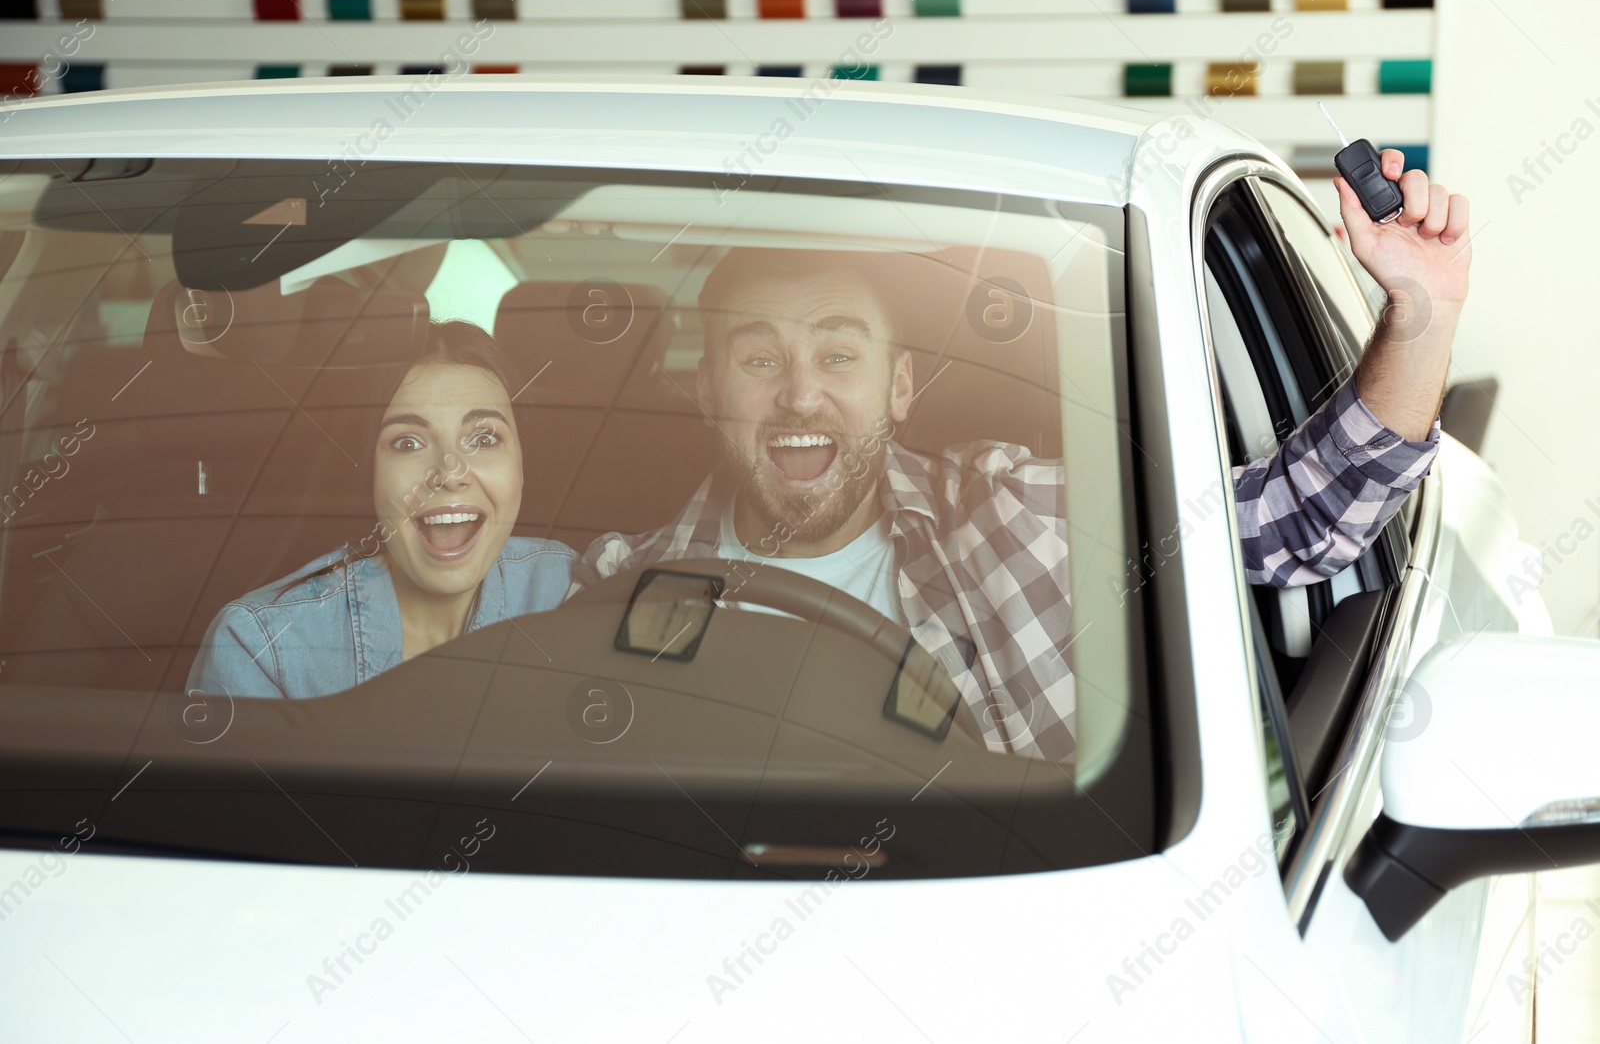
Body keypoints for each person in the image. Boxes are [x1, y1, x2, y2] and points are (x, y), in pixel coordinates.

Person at [569, 151, 1469, 763]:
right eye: (759, 358)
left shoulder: (1014, 513)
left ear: (900, 389)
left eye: (840, 355)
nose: (800, 395)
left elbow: (1297, 523)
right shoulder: (611, 589)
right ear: (705, 393)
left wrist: (1421, 312)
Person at [188, 320, 574, 699]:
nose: (450, 473)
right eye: (408, 443)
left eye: (484, 438)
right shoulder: (260, 649)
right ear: (368, 472)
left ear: (522, 464)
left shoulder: (572, 590)